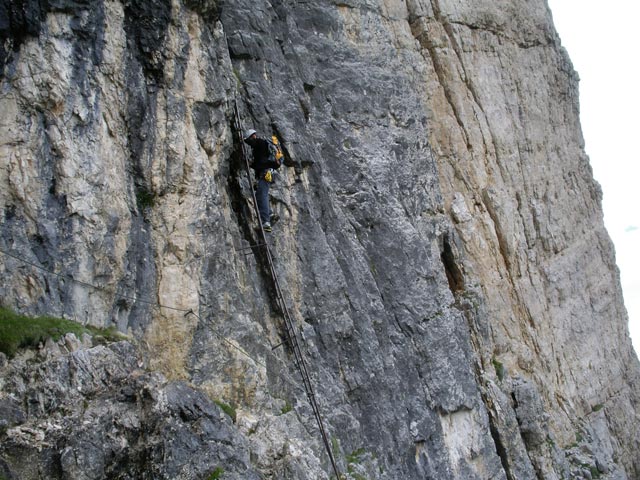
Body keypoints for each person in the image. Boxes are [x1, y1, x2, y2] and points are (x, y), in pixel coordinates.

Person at [243, 129, 279, 232]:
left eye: (250, 139)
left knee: (261, 195)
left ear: (252, 136)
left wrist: (244, 139)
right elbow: (260, 162)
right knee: (262, 194)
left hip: (266, 173)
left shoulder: (260, 142)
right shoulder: (262, 148)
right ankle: (270, 213)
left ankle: (266, 222)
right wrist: (252, 164)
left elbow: (261, 161)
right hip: (268, 172)